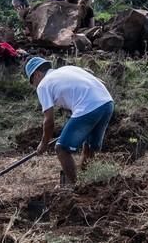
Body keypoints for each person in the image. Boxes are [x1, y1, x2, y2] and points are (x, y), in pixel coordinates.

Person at [25, 57, 114, 186]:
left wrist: (43, 144)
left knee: (62, 148)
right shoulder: (68, 69)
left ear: (37, 74)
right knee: (89, 146)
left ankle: (74, 187)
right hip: (107, 103)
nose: (35, 86)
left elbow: (49, 120)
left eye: (32, 82)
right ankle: (87, 183)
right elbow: (98, 82)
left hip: (89, 106)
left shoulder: (43, 85)